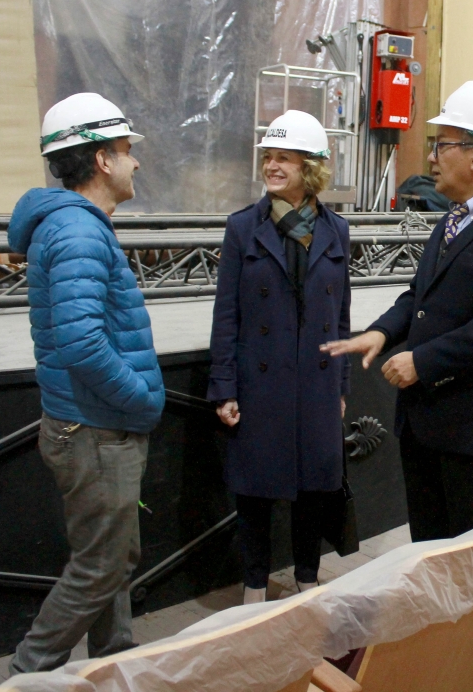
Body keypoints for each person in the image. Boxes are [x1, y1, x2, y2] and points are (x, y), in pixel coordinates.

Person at [322, 81, 473, 541]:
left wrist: (422, 361)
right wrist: (382, 334)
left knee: (465, 563)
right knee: (427, 555)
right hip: (425, 422)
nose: (431, 157)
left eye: (441, 144)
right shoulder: (452, 219)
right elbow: (419, 298)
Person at [7, 93, 164, 673]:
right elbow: (81, 344)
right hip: (98, 429)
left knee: (110, 558)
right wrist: (142, 399)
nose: (136, 163)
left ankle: (111, 666)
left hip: (89, 426)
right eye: (127, 151)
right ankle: (29, 671)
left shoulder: (73, 227)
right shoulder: (78, 234)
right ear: (101, 160)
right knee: (101, 565)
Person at [207, 110, 352, 603]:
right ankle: (254, 586)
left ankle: (308, 578)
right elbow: (227, 316)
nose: (272, 166)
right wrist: (223, 387)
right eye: (268, 157)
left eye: (283, 158)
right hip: (260, 382)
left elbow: (342, 318)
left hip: (316, 383)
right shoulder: (242, 229)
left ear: (310, 168)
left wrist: (341, 387)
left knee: (313, 489)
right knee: (255, 492)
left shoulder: (336, 231)